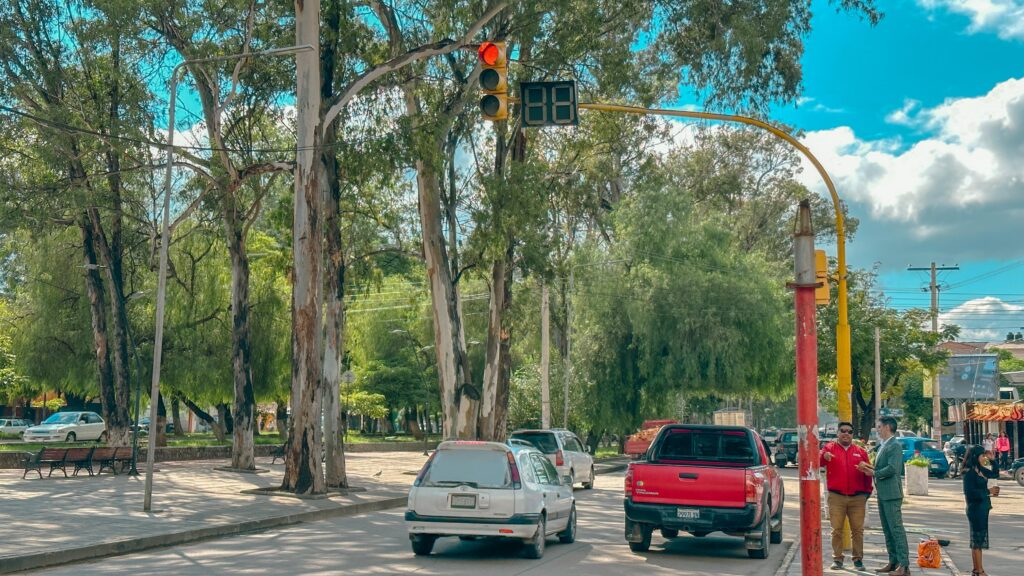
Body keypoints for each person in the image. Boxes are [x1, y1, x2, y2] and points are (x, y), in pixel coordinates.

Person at [858, 415, 910, 576]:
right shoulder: (883, 445)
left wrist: (873, 472)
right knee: (887, 530)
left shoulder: (894, 445)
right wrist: (869, 468)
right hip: (883, 492)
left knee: (896, 529)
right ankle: (893, 561)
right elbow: (882, 468)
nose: (877, 430)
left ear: (887, 427)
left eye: (879, 427)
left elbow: (893, 468)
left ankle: (904, 565)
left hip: (892, 493)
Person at [820, 422, 873, 571]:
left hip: (857, 498)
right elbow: (818, 460)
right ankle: (837, 559)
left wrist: (866, 493)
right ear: (837, 433)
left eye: (849, 431)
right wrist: (824, 456)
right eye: (842, 431)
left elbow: (869, 472)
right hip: (836, 496)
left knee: (858, 530)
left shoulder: (860, 451)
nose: (846, 434)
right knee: (836, 529)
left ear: (852, 434)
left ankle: (858, 560)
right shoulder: (829, 448)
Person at [962, 445, 1000, 576]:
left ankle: (976, 569)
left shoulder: (980, 469)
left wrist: (993, 460)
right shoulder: (969, 472)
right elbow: (969, 493)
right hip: (975, 509)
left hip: (983, 507)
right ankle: (980, 570)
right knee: (977, 541)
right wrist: (987, 491)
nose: (983, 457)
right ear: (975, 456)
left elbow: (995, 474)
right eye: (982, 455)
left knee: (978, 540)